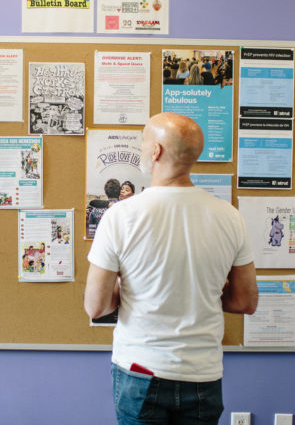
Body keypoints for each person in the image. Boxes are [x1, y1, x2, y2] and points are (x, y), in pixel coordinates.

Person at [84, 112, 257, 425]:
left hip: (141, 371)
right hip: (202, 374)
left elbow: (96, 306)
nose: (141, 149)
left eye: (143, 142)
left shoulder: (120, 217)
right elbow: (245, 301)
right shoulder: (229, 217)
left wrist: (128, 289)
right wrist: (200, 290)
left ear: (156, 151)